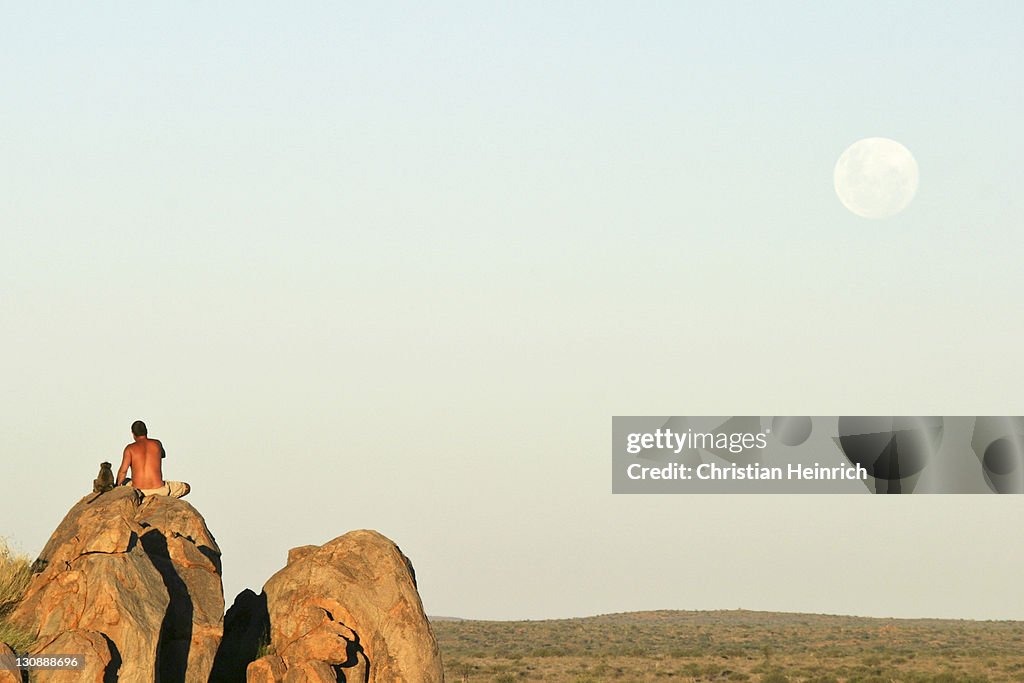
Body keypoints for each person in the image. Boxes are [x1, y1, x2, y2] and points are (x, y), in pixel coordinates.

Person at [116, 420, 191, 498]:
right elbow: (163, 455)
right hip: (159, 490)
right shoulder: (157, 443)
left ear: (133, 434)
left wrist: (116, 487)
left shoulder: (129, 449)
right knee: (186, 487)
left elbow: (123, 472)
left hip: (138, 492)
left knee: (125, 481)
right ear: (146, 431)